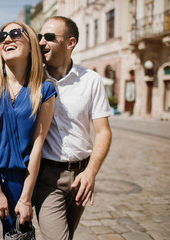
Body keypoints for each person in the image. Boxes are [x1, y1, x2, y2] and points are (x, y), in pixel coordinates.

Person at [0, 21, 57, 240]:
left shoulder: (45, 90)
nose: (7, 39)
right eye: (1, 36)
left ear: (32, 44)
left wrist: (25, 198)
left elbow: (37, 146)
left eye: (15, 33)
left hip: (20, 180)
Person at [35, 16, 112, 240]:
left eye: (49, 37)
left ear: (70, 43)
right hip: (47, 178)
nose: (41, 42)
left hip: (82, 177)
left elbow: (104, 131)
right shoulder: (34, 79)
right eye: (40, 37)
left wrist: (90, 172)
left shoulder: (91, 80)